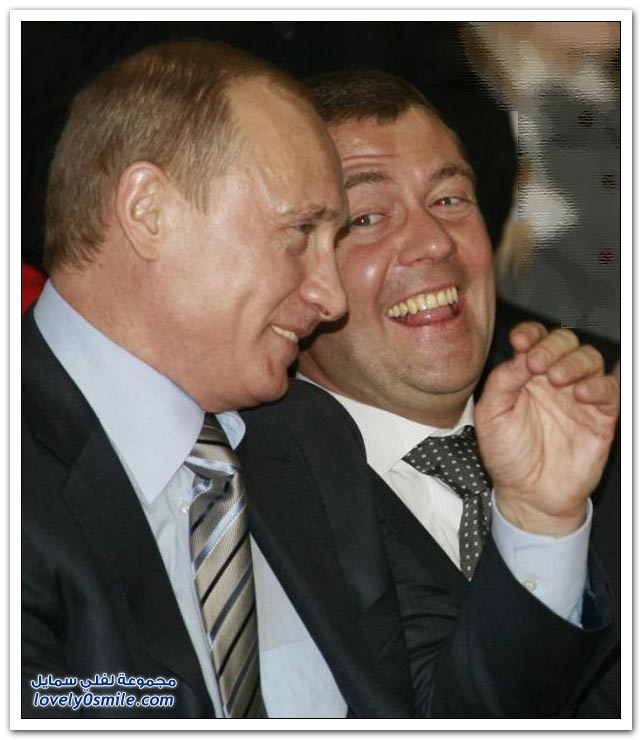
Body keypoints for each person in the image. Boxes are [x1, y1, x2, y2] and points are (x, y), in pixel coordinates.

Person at [239, 70, 621, 718]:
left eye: (449, 200)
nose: (434, 241)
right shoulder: (248, 495)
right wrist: (540, 524)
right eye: (366, 217)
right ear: (292, 269)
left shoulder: (603, 411)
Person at [21, 40, 350, 719]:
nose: (332, 296)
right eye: (298, 232)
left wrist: (539, 528)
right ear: (149, 211)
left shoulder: (314, 439)